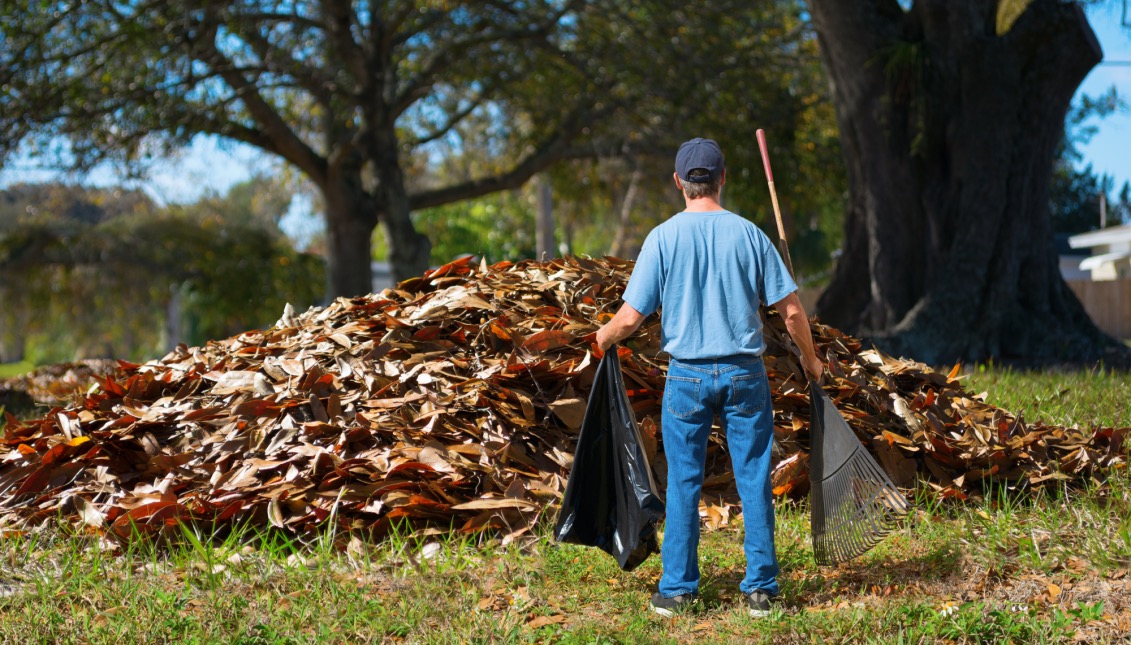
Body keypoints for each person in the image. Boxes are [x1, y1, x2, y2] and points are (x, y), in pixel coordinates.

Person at [595, 137, 823, 618]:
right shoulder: (751, 235)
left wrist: (602, 338)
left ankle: (678, 589)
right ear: (722, 179)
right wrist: (812, 359)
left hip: (687, 379)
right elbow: (793, 311)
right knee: (754, 478)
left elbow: (631, 319)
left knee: (683, 482)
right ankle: (761, 589)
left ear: (679, 182)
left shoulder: (662, 238)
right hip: (744, 374)